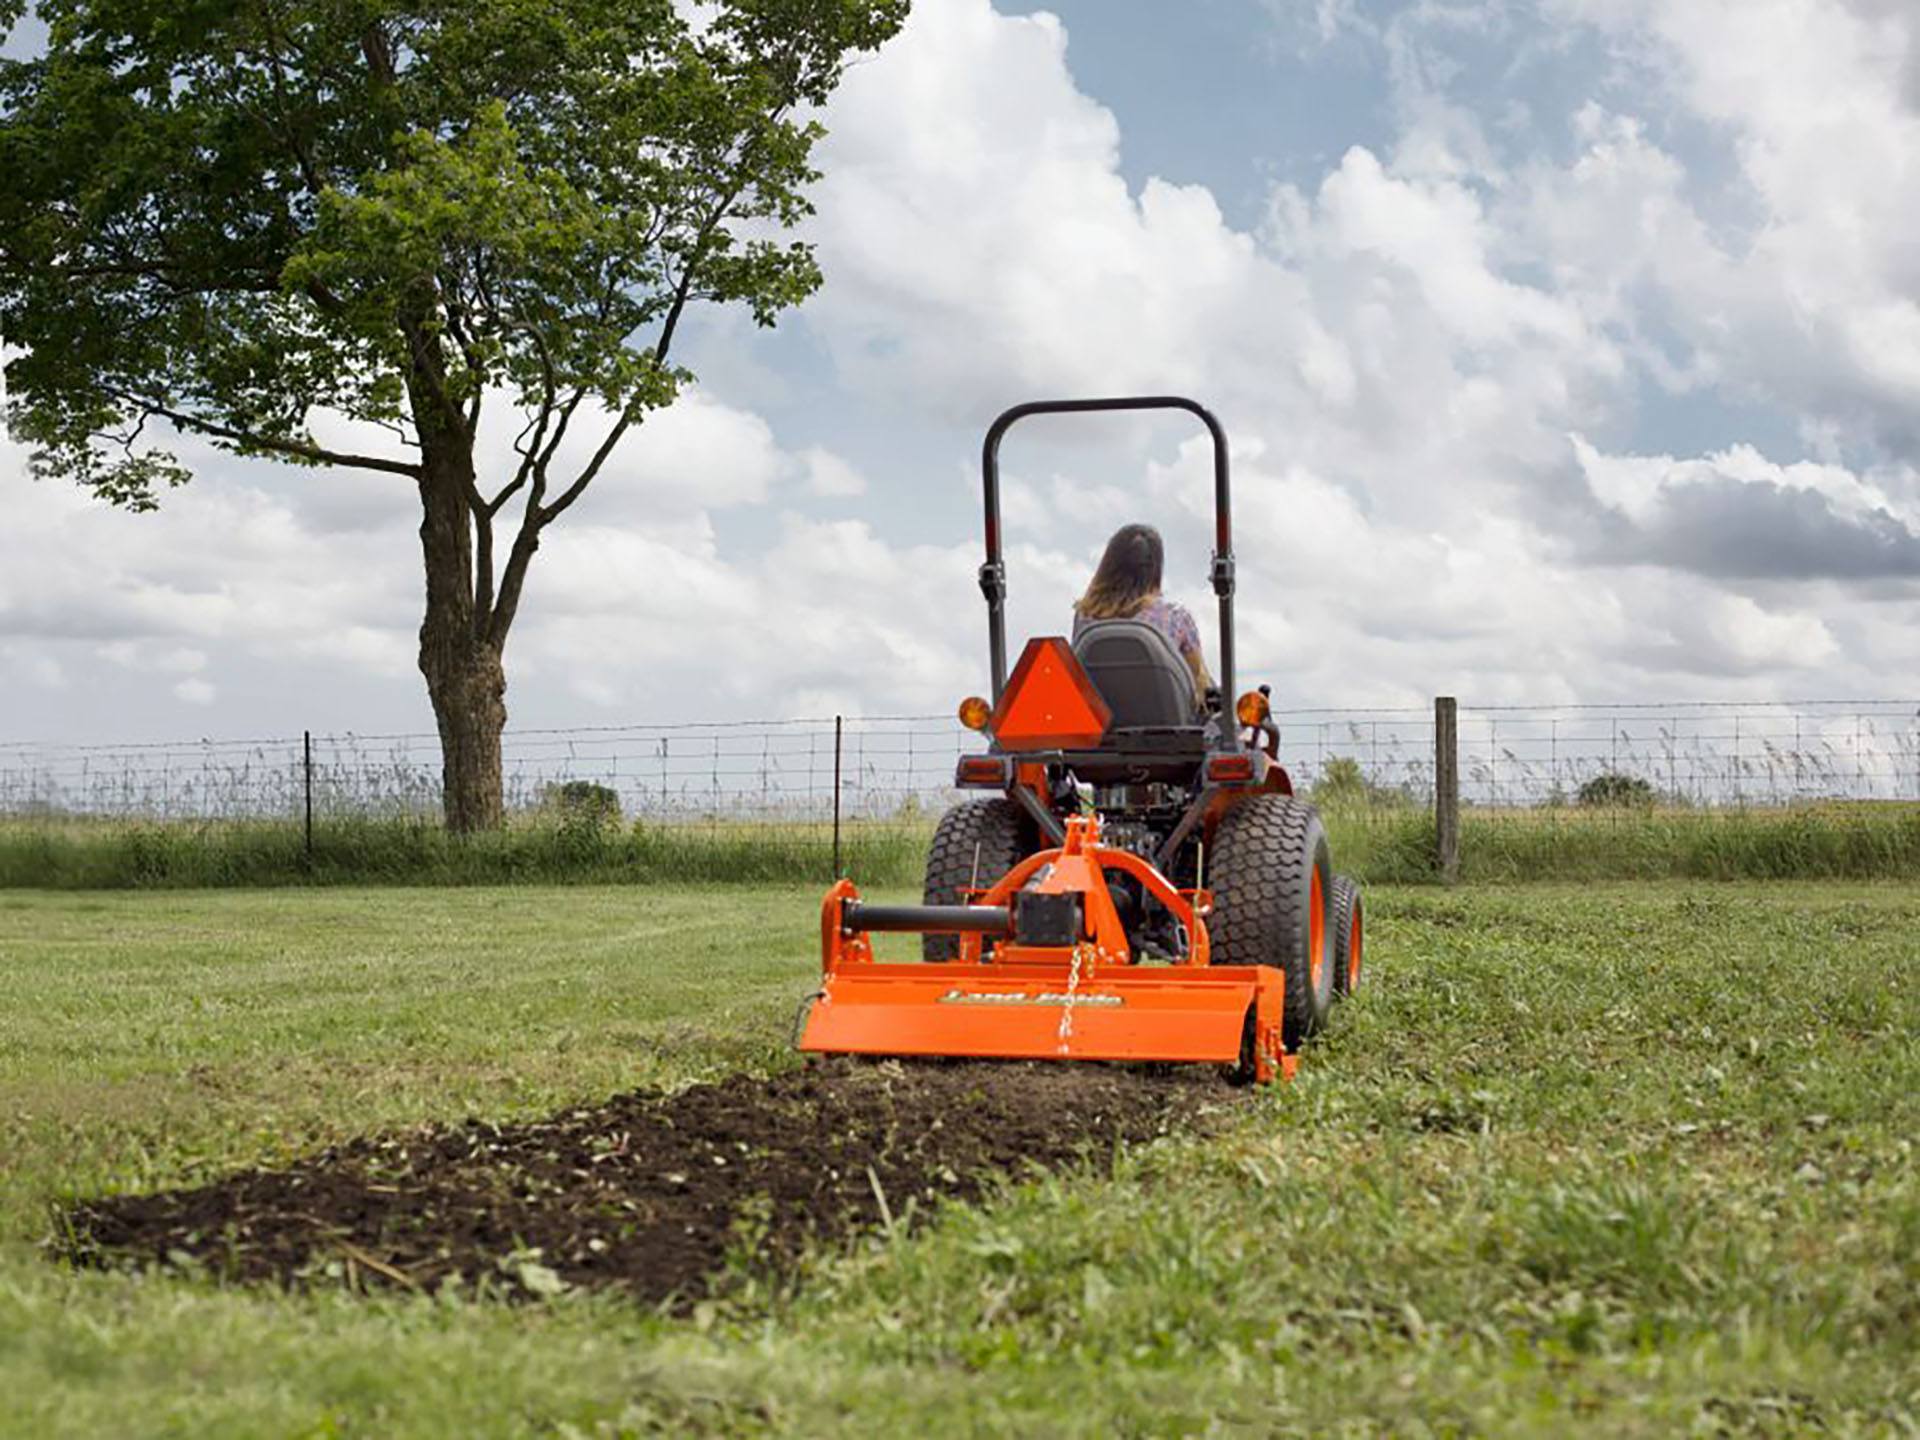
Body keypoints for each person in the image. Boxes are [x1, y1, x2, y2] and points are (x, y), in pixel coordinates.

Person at [1071, 523, 1212, 699]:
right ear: (1155, 569)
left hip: (1101, 723)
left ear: (1109, 565)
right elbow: (1200, 684)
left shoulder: (1085, 615)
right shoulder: (1177, 618)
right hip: (1164, 722)